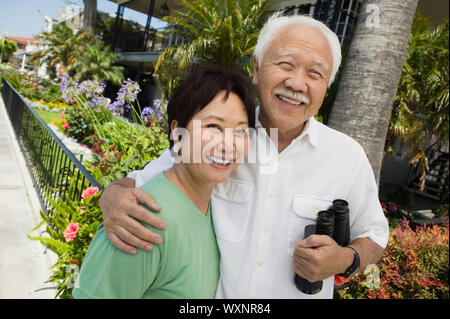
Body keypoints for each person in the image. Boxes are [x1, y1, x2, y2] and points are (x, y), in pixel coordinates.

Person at [99, 13, 390, 299]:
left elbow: (374, 235)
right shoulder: (218, 141)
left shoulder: (347, 156)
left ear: (326, 85)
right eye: (285, 64)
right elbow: (139, 184)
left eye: (315, 73)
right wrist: (112, 197)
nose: (297, 84)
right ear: (257, 67)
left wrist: (345, 260)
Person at [72, 66, 255, 298]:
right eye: (213, 127)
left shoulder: (215, 210)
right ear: (177, 133)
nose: (229, 145)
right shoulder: (139, 222)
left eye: (240, 131)